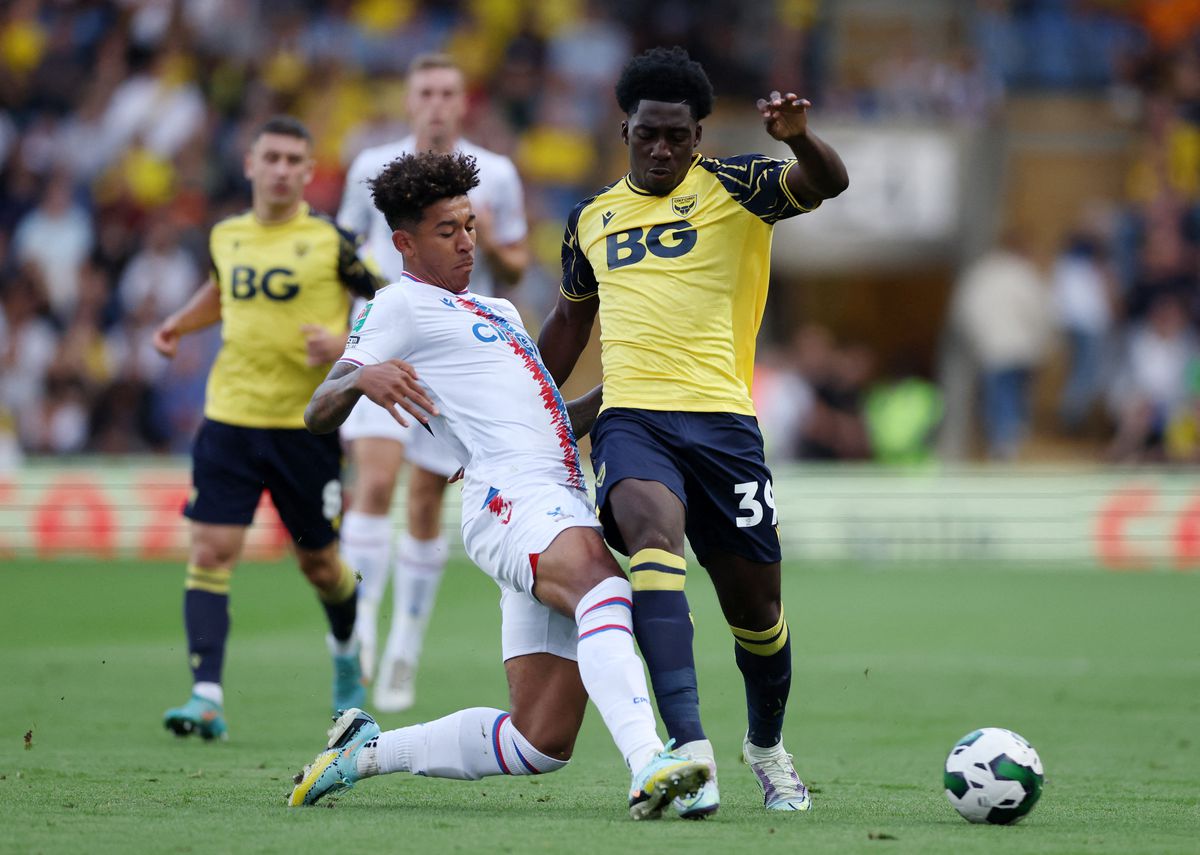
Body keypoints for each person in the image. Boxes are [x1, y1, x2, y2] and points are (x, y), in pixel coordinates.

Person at [289, 150, 708, 819]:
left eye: (469, 226)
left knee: (539, 740)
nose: (466, 241)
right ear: (404, 242)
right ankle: (650, 762)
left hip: (552, 495)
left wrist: (625, 384)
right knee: (605, 586)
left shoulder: (500, 310)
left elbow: (545, 424)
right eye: (446, 230)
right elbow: (318, 410)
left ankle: (363, 752)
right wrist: (358, 376)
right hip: (508, 499)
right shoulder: (399, 305)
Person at [537, 46, 849, 817]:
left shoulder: (739, 185)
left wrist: (799, 139)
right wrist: (523, 415)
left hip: (725, 429)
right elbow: (568, 328)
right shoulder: (592, 219)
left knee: (759, 618)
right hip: (633, 421)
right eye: (649, 134)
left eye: (678, 135)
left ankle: (766, 746)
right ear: (626, 128)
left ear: (700, 134)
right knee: (653, 535)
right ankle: (690, 752)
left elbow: (828, 183)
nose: (663, 149)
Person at [153, 116, 384, 740]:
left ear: (309, 172)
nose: (282, 169)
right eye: (271, 157)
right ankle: (205, 696)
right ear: (250, 164)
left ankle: (345, 663)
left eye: (294, 160)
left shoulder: (332, 242)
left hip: (304, 428)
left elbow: (395, 303)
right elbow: (224, 289)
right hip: (229, 417)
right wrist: (180, 321)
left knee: (321, 566)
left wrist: (344, 340)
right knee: (210, 550)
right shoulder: (226, 235)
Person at [335, 53, 530, 712]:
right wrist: (359, 318)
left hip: (451, 352)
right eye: (427, 91)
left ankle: (405, 647)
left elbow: (515, 265)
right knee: (375, 480)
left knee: (423, 500)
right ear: (410, 97)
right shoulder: (371, 167)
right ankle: (358, 638)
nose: (439, 103)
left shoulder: (494, 174)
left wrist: (491, 240)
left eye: (450, 91)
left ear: (463, 100)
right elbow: (345, 252)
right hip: (384, 336)